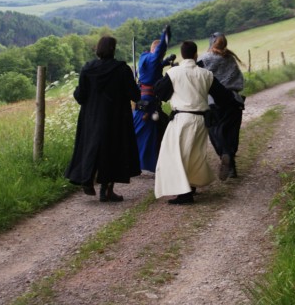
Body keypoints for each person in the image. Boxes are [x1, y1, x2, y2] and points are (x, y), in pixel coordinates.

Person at [153, 40, 234, 205]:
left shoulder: (174, 73)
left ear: (182, 54)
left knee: (177, 156)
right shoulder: (206, 74)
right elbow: (223, 96)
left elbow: (160, 92)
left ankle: (185, 193)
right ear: (196, 54)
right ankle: (190, 185)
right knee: (194, 155)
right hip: (201, 119)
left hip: (182, 120)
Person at [65, 35, 141, 202]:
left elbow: (80, 96)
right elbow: (135, 95)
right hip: (116, 118)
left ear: (98, 49)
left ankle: (87, 179)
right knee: (113, 150)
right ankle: (106, 190)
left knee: (90, 146)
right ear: (113, 49)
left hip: (91, 116)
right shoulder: (122, 69)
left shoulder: (87, 68)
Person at [198, 32, 246, 180]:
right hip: (233, 100)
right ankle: (231, 165)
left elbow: (196, 77)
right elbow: (239, 80)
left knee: (215, 131)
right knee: (232, 132)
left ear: (211, 43)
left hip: (213, 101)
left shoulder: (204, 59)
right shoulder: (230, 58)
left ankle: (224, 155)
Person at [133, 25, 176, 173]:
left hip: (147, 100)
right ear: (155, 50)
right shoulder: (151, 58)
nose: (160, 56)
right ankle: (144, 164)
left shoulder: (146, 59)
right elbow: (157, 56)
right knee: (146, 132)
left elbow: (156, 65)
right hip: (147, 103)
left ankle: (151, 162)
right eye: (160, 54)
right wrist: (165, 36)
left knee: (153, 129)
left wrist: (166, 62)